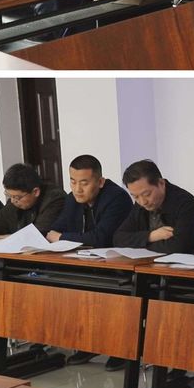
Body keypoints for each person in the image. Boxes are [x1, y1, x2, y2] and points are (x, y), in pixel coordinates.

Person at [47, 154, 133, 372]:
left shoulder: (117, 198)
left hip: (118, 265)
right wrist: (64, 236)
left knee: (107, 291)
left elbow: (101, 238)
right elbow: (54, 229)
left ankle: (120, 349)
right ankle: (89, 343)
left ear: (100, 182)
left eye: (84, 183)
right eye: (73, 181)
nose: (77, 189)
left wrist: (63, 237)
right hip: (86, 262)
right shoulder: (72, 199)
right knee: (64, 283)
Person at [113, 160, 194, 253]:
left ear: (161, 183)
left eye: (147, 194)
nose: (143, 202)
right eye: (135, 197)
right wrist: (151, 236)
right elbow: (118, 239)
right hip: (149, 260)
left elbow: (179, 247)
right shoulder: (140, 204)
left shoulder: (185, 202)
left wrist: (140, 244)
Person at [0, 163, 66, 239]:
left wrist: (8, 237)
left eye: (17, 197)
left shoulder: (54, 199)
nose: (12, 201)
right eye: (9, 195)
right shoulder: (14, 202)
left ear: (36, 192)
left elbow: (38, 234)